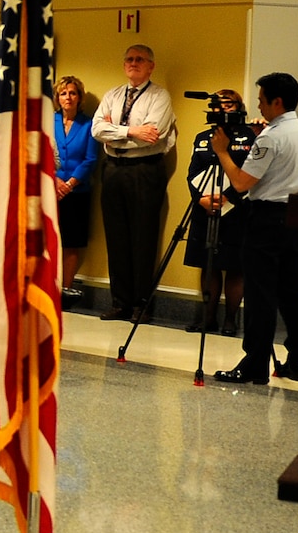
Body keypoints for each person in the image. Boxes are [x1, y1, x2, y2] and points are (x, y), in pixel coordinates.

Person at [211, 73, 298, 386]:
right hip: (296, 215)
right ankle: (297, 359)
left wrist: (222, 151)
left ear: (277, 102)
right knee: (292, 291)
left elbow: (242, 183)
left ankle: (254, 364)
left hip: (266, 219)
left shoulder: (271, 137)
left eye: (261, 99)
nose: (258, 104)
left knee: (260, 295)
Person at [92, 44, 177, 323]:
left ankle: (142, 304)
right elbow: (97, 130)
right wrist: (130, 131)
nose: (134, 63)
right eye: (129, 59)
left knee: (143, 238)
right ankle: (120, 303)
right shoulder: (113, 95)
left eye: (140, 59)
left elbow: (154, 134)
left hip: (144, 170)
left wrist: (114, 131)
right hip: (114, 169)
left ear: (151, 66)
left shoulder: (159, 96)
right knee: (116, 238)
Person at [183, 90, 252, 335]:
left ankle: (231, 319)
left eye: (227, 104)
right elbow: (192, 173)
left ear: (238, 107)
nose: (222, 109)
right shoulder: (203, 137)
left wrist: (228, 198)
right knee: (208, 263)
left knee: (235, 266)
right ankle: (207, 318)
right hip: (205, 208)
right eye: (217, 105)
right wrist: (199, 198)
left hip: (237, 209)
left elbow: (249, 174)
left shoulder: (248, 137)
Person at [53, 76, 98, 303]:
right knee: (48, 240)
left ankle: (65, 288)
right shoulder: (47, 121)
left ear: (79, 97)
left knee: (71, 242)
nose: (68, 97)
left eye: (72, 93)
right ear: (57, 97)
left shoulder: (88, 124)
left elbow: (90, 160)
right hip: (49, 190)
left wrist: (69, 184)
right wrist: (54, 181)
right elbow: (38, 152)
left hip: (77, 192)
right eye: (63, 93)